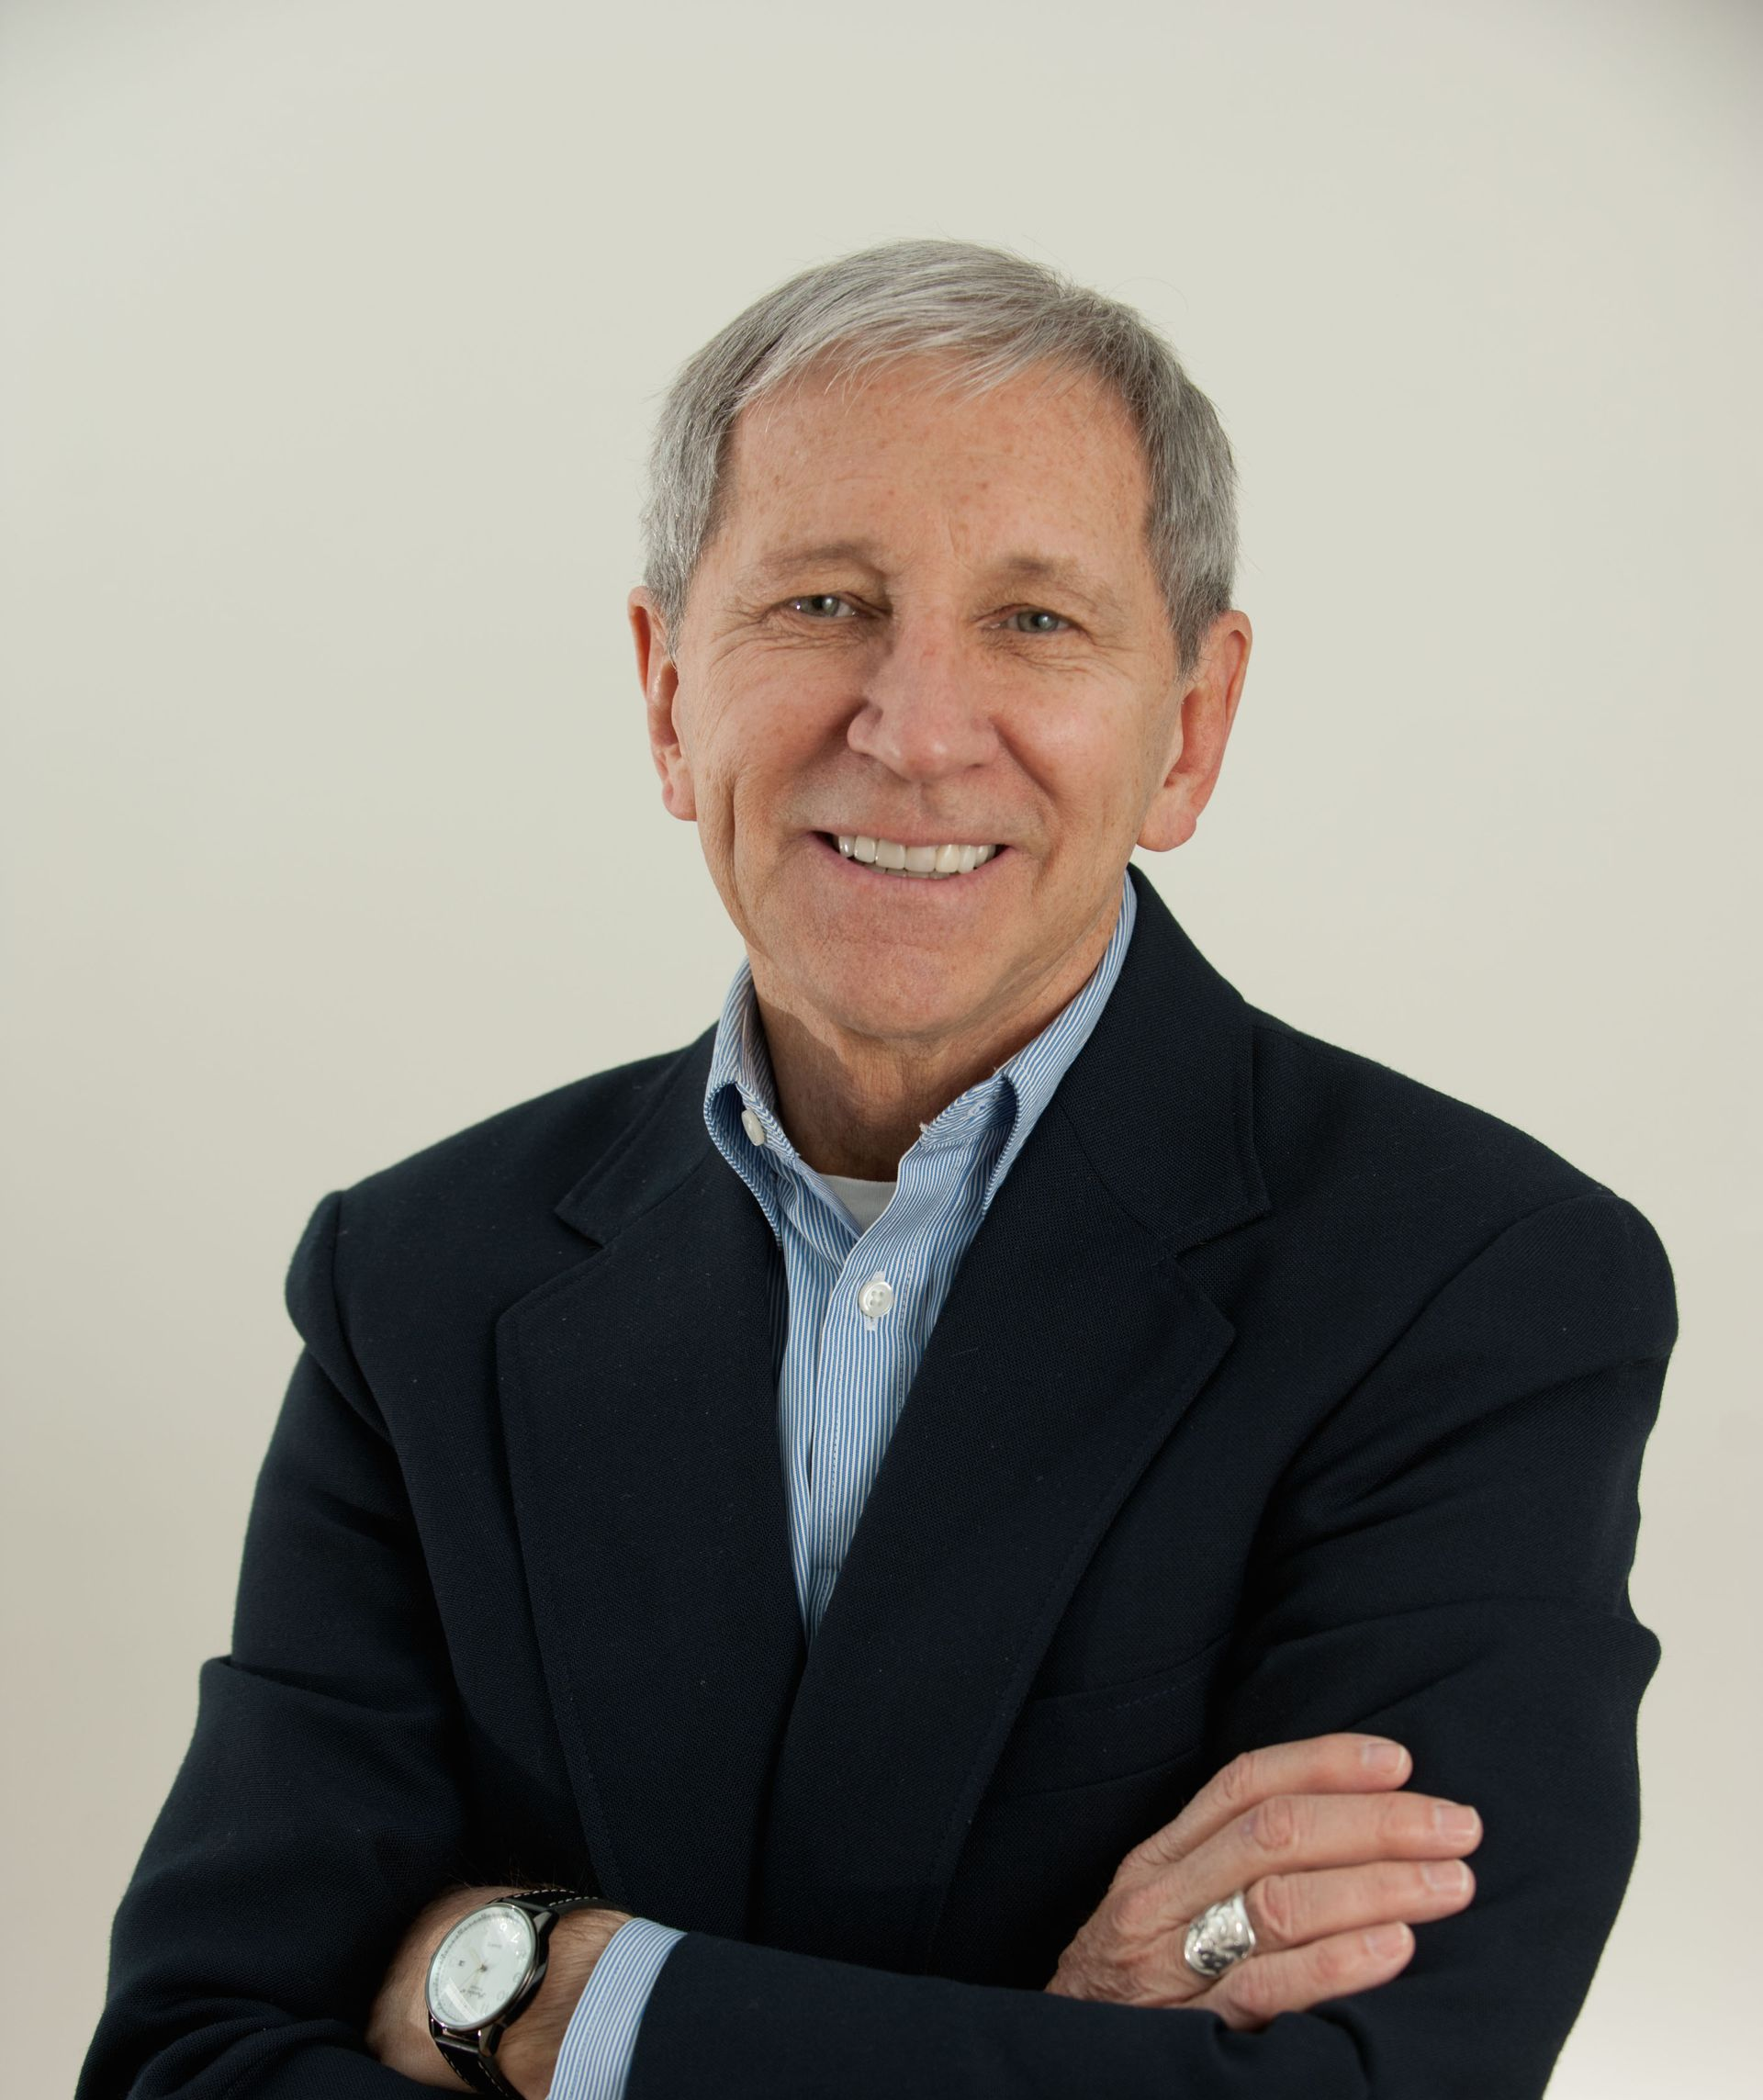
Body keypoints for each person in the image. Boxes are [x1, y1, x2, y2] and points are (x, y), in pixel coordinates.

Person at [77, 239, 1678, 2100]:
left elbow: (1387, 2087)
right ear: (670, 693)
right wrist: (1052, 2049)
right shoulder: (420, 1282)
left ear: (1196, 729)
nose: (914, 729)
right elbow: (189, 2062)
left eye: (1037, 623)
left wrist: (540, 1995)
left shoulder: (1474, 1286)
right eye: (826, 603)